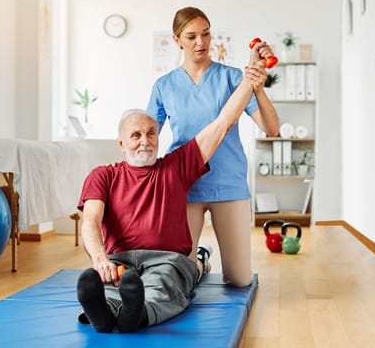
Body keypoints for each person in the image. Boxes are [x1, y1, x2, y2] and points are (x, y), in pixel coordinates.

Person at [76, 62, 268, 333]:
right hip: (119, 259)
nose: (145, 140)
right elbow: (91, 222)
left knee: (164, 282)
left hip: (166, 259)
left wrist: (249, 80)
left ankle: (137, 314)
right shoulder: (102, 175)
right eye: (135, 135)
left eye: (151, 133)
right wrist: (100, 259)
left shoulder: (176, 167)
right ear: (121, 144)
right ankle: (105, 313)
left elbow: (223, 123)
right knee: (109, 284)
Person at [146, 6, 279, 287]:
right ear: (177, 40)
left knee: (240, 279)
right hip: (185, 185)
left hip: (227, 183)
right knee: (181, 278)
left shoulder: (233, 78)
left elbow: (272, 129)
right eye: (192, 36)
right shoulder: (164, 85)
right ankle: (198, 262)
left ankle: (202, 258)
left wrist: (257, 85)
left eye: (206, 34)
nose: (201, 42)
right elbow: (150, 137)